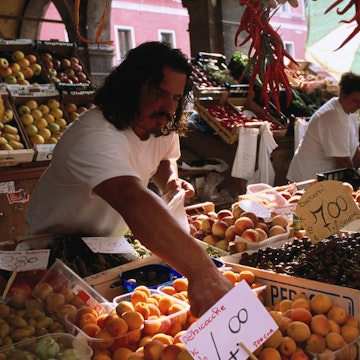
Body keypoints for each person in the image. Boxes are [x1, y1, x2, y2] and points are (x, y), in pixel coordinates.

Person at [26, 41, 233, 317]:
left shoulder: (161, 125)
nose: (168, 106)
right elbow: (130, 195)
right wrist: (201, 270)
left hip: (107, 247)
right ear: (131, 86)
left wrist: (170, 181)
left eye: (175, 97)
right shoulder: (95, 134)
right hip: (54, 253)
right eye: (159, 93)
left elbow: (162, 158)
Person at [287, 72, 360, 183]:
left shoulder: (350, 112)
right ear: (343, 95)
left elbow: (355, 151)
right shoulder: (332, 116)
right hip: (308, 179)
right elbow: (343, 162)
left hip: (325, 179)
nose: (358, 105)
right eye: (356, 101)